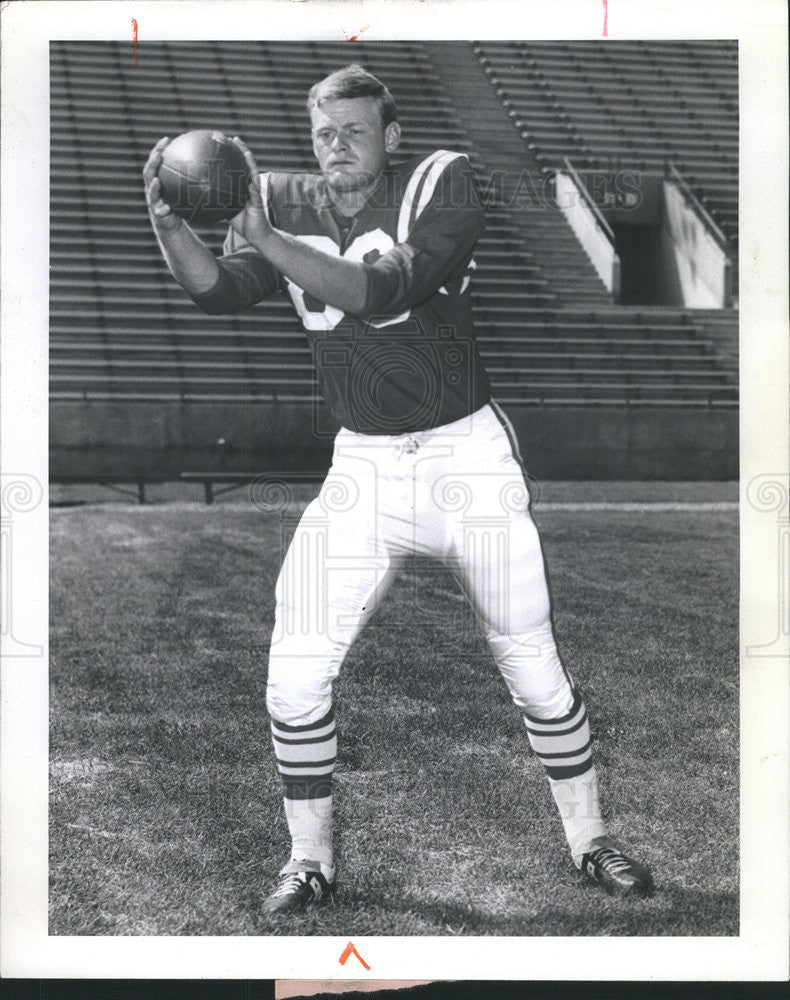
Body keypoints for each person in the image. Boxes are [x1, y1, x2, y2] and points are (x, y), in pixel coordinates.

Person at [143, 63, 654, 915]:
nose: (335, 147)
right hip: (364, 470)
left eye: (352, 131)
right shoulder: (286, 200)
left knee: (531, 666)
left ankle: (592, 840)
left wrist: (266, 236)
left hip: (466, 463)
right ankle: (308, 860)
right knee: (294, 669)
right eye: (321, 133)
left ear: (391, 136)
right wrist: (170, 229)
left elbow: (386, 290)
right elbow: (218, 294)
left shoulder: (441, 179)